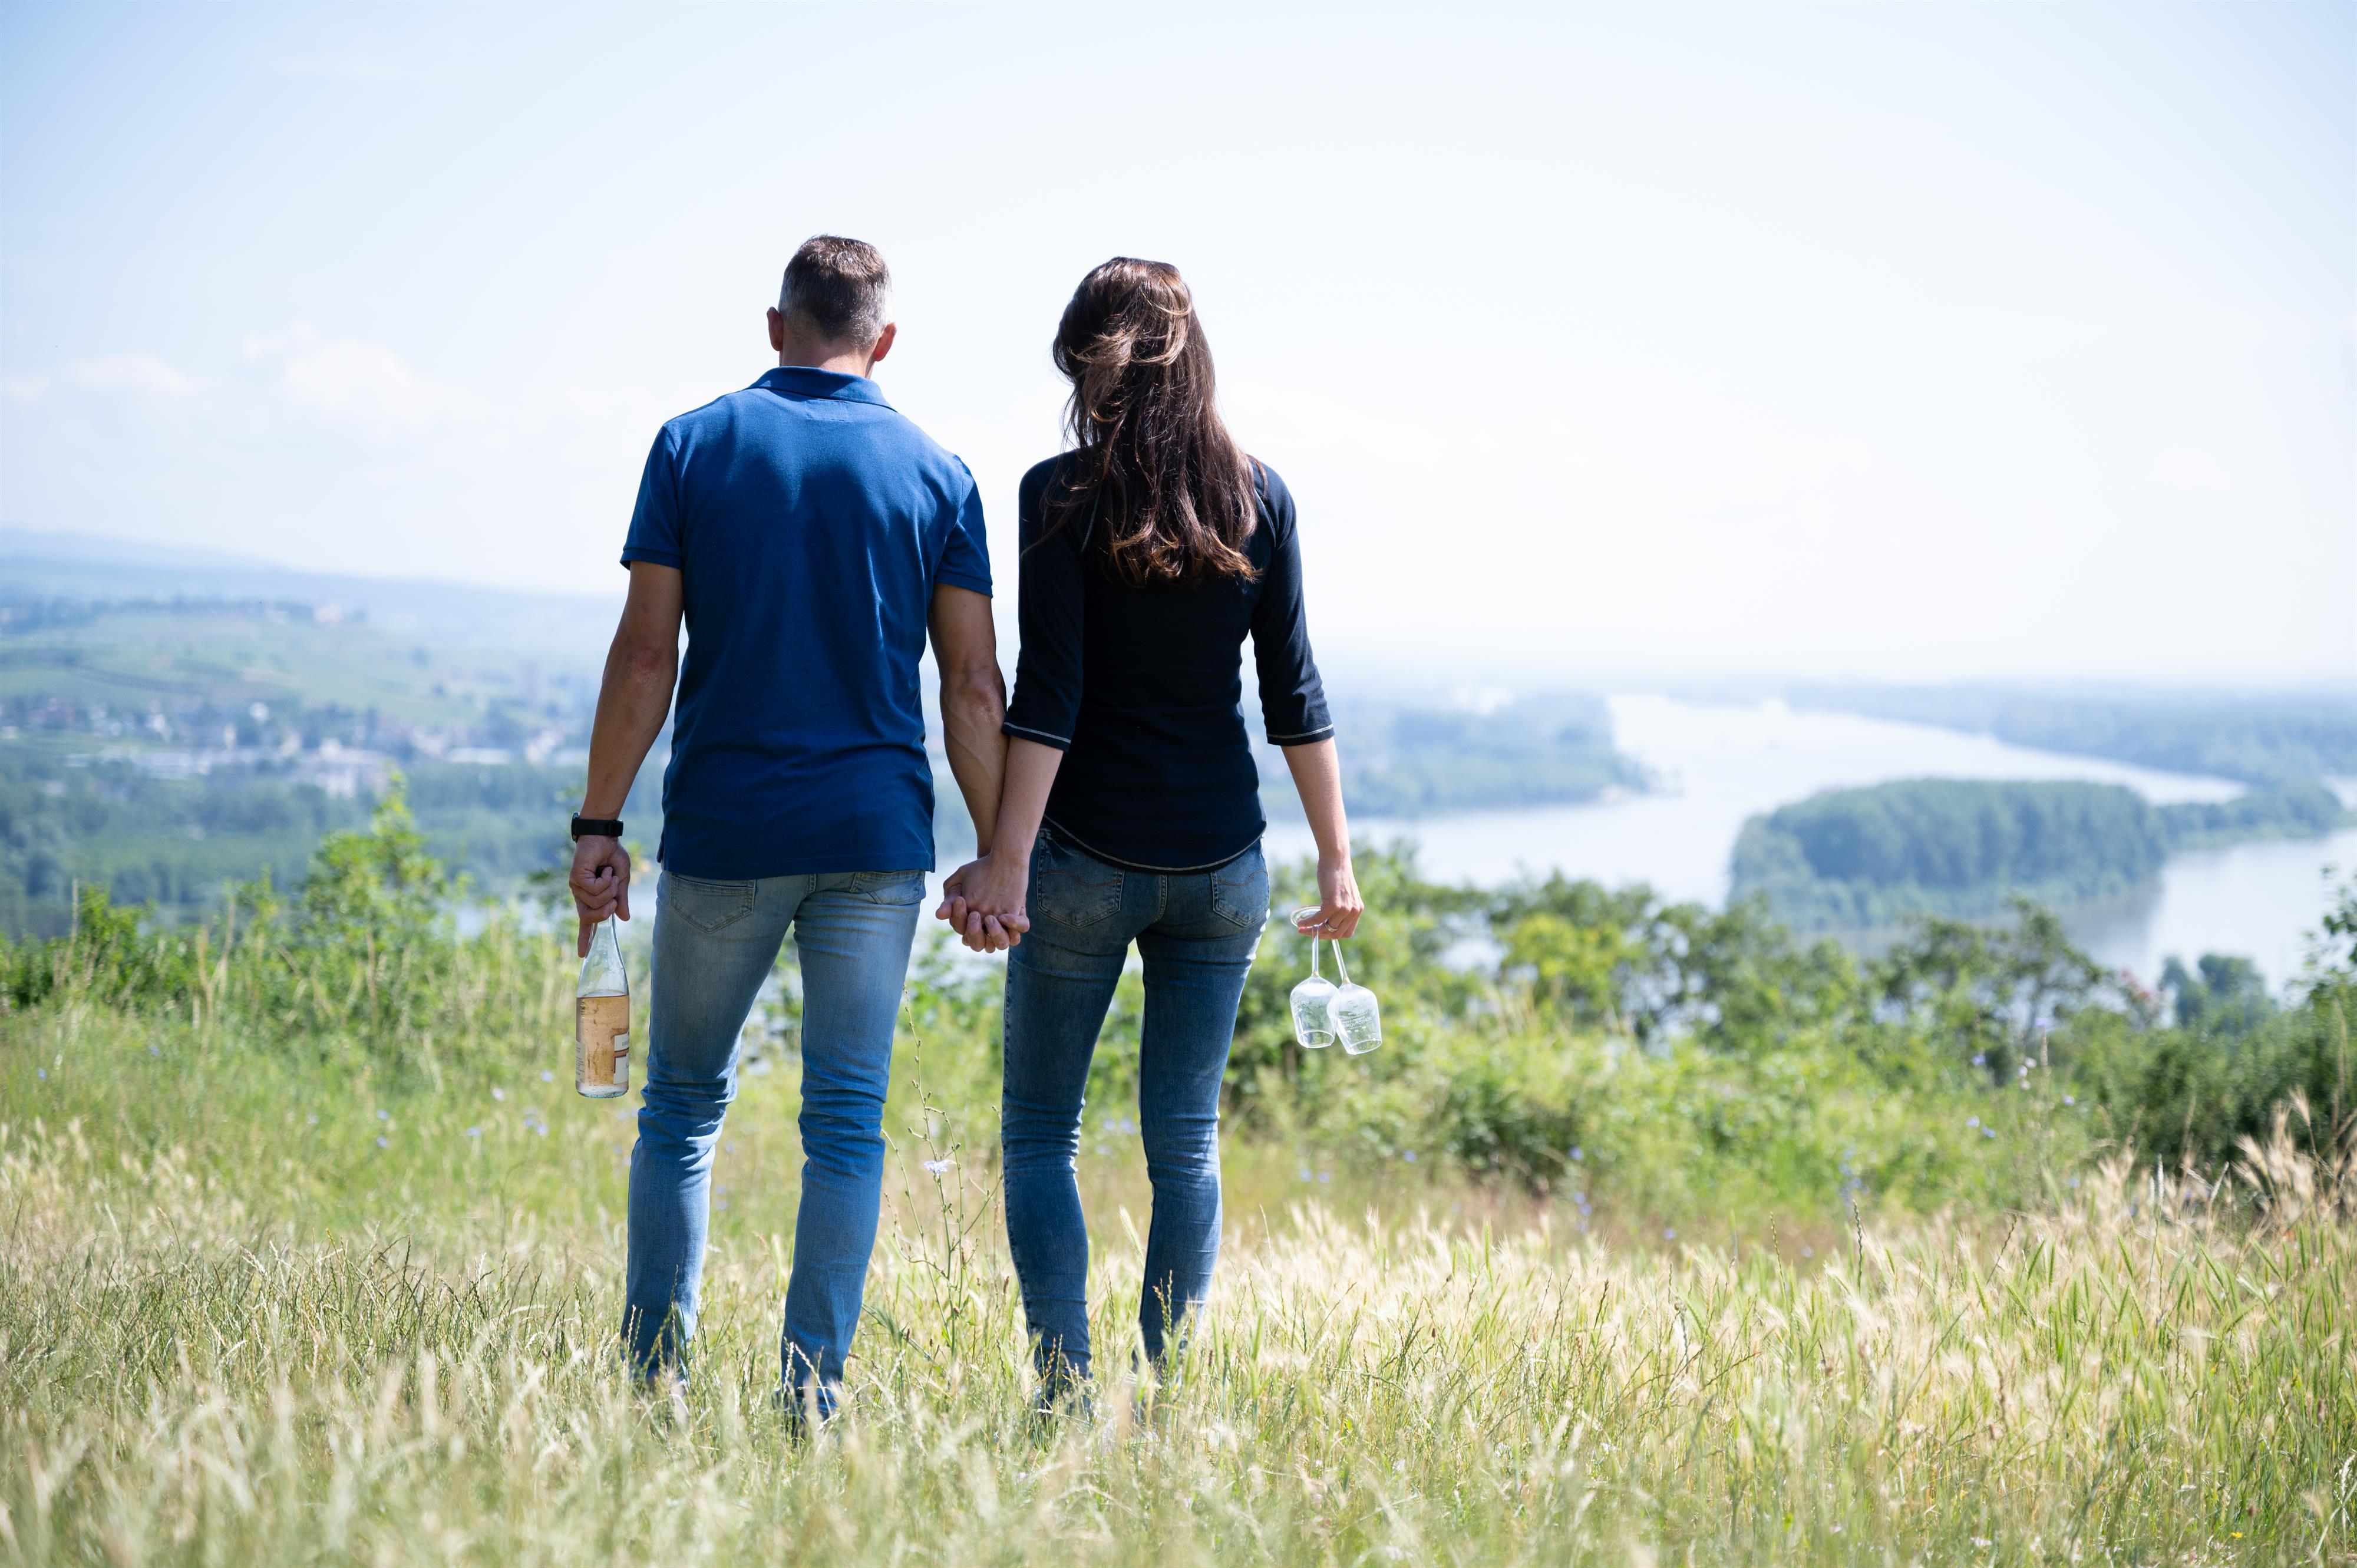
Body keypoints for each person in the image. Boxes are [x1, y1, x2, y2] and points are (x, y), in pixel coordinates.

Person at [568, 235, 1011, 1420]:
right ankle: (811, 1398)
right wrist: (996, 852)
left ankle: (654, 1385)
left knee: (680, 1107)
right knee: (847, 1125)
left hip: (726, 828)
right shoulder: (940, 473)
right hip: (875, 839)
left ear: (776, 326)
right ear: (884, 339)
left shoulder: (692, 444)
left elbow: (645, 654)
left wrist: (600, 820)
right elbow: (973, 687)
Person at [939, 256, 1364, 1398]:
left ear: (1085, 363)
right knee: (1185, 1141)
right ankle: (1168, 1388)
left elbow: (1050, 693)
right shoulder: (1260, 495)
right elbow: (1294, 691)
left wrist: (1006, 863)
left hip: (1083, 858)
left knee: (1041, 1133)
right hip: (1223, 867)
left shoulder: (1058, 494)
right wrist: (1335, 859)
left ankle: (1066, 1387)